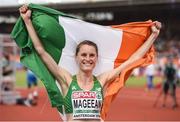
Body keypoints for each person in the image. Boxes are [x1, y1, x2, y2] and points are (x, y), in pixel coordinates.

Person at [19, 5, 161, 121]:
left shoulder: (103, 80)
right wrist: (27, 21)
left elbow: (132, 60)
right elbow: (41, 51)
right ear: (77, 58)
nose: (88, 58)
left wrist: (153, 35)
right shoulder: (67, 80)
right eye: (84, 55)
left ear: (96, 58)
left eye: (92, 55)